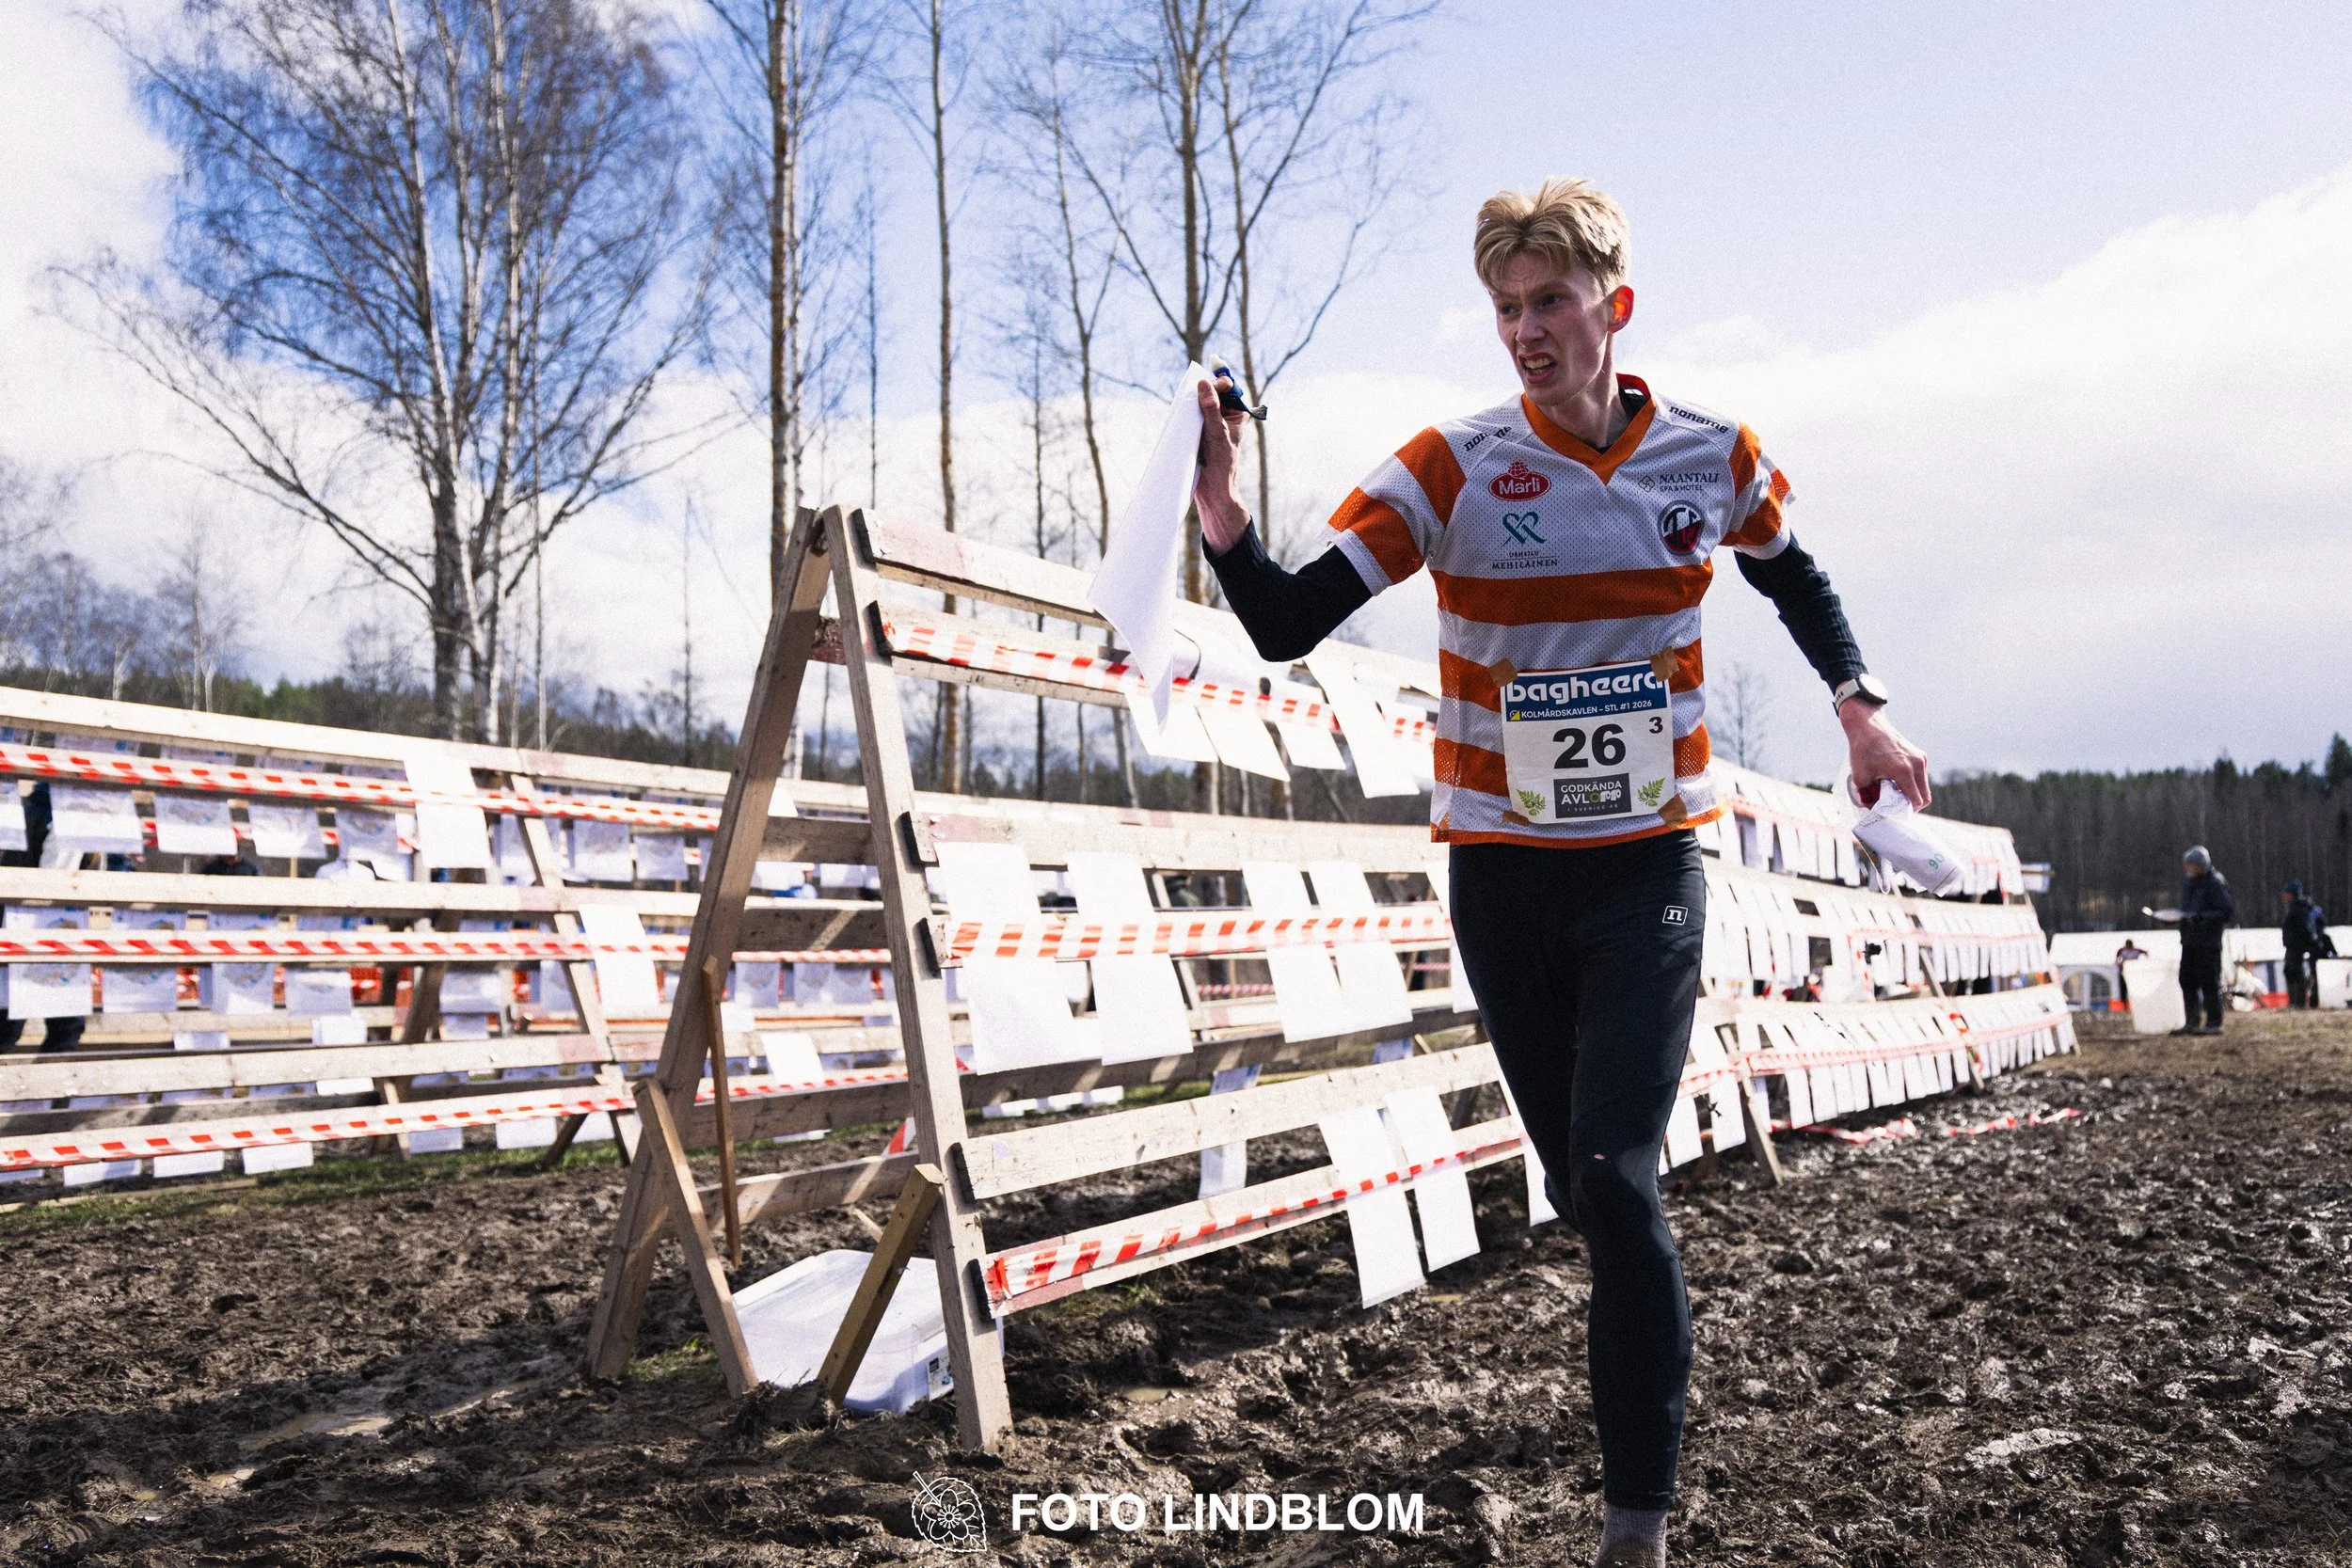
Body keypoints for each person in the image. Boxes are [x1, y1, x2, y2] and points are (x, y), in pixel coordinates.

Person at [1196, 178, 1929, 1568]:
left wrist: (1858, 703)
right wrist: (1225, 516)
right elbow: (1290, 622)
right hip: (1504, 875)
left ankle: (1633, 1526)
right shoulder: (1450, 468)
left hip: (1648, 864)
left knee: (1619, 1172)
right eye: (1506, 308)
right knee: (1587, 1196)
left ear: (1614, 308)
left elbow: (1793, 573)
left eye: (1551, 302)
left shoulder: (1709, 456)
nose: (1527, 330)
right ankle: (1641, 1373)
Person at [0, 784, 89, 1054]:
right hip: (44, 917)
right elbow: (55, 880)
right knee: (64, 1023)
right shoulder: (68, 815)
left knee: (9, 1014)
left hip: (15, 913)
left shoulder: (28, 808)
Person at [2172, 846, 2233, 1035]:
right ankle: (2192, 1021)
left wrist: (2201, 917)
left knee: (2209, 982)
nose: (2187, 868)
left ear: (2201, 865)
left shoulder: (2215, 883)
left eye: (2190, 865)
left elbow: (2226, 912)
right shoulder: (2190, 884)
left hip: (2208, 942)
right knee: (2187, 980)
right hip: (2189, 941)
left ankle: (2214, 1022)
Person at [2281, 880, 2325, 1008]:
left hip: (2296, 946)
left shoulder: (2298, 908)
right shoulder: (2298, 907)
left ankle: (2298, 1002)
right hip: (2294, 945)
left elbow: (2306, 927)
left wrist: (2312, 941)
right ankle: (2296, 1001)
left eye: (2287, 893)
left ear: (2292, 894)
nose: (2284, 896)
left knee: (2295, 972)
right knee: (2291, 971)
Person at [2113, 937, 2148, 1007]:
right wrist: (2119, 965)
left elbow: (2146, 953)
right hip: (2124, 971)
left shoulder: (2136, 950)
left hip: (2134, 972)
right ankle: (2125, 1004)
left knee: (2134, 989)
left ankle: (2135, 1003)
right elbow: (2117, 960)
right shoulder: (2122, 950)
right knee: (2123, 989)